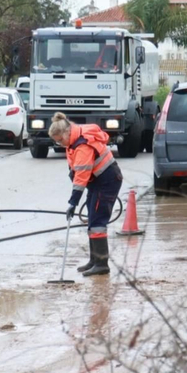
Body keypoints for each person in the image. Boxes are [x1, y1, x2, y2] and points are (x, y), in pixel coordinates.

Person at [48, 112, 121, 277]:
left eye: (60, 140)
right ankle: (94, 260)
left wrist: (73, 203)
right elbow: (76, 171)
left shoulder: (83, 146)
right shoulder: (73, 141)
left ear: (67, 133)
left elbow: (81, 177)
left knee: (97, 220)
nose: (60, 144)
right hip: (97, 182)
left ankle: (102, 264)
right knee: (92, 215)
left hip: (107, 182)